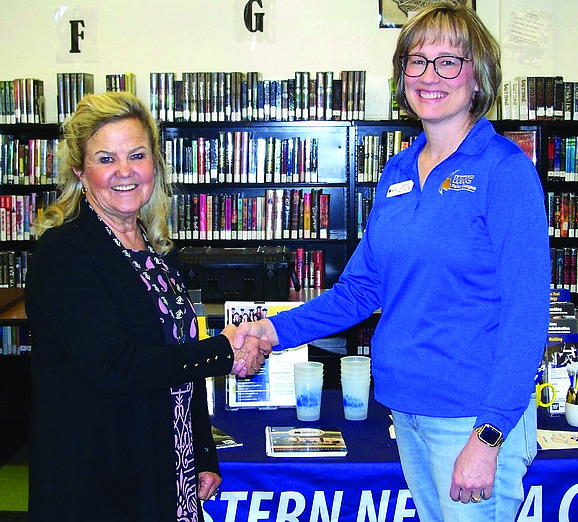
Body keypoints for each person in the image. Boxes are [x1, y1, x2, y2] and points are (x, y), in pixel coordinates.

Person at [233, 3, 550, 521]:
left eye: (449, 61)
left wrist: (489, 433)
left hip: (473, 419)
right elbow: (360, 290)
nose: (430, 76)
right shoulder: (398, 171)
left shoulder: (505, 173)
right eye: (417, 61)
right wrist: (271, 331)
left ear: (478, 76)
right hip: (406, 409)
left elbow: (526, 317)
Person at [25, 91, 271, 522]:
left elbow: (180, 358)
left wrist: (202, 452)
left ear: (154, 164)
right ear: (80, 171)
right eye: (106, 159)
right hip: (99, 477)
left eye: (136, 155)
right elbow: (114, 365)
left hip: (167, 461)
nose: (124, 172)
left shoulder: (160, 252)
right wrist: (222, 350)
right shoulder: (65, 253)